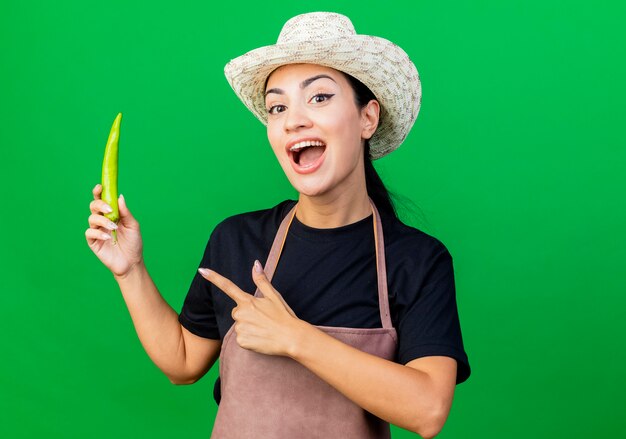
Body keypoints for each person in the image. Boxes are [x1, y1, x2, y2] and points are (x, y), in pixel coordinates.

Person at [86, 11, 470, 439]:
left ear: (368, 118)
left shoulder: (416, 260)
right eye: (277, 106)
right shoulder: (236, 239)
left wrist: (295, 338)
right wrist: (129, 270)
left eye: (319, 97)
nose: (294, 120)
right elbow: (182, 362)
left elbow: (427, 410)